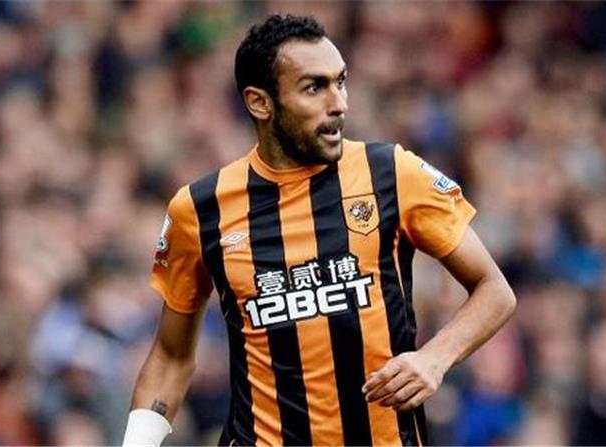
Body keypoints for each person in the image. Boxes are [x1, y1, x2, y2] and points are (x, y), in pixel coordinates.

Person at [123, 14, 516, 447]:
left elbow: (494, 290)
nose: (339, 103)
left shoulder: (392, 174)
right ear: (260, 103)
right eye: (315, 87)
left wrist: (435, 358)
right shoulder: (201, 209)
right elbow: (171, 357)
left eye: (340, 82)